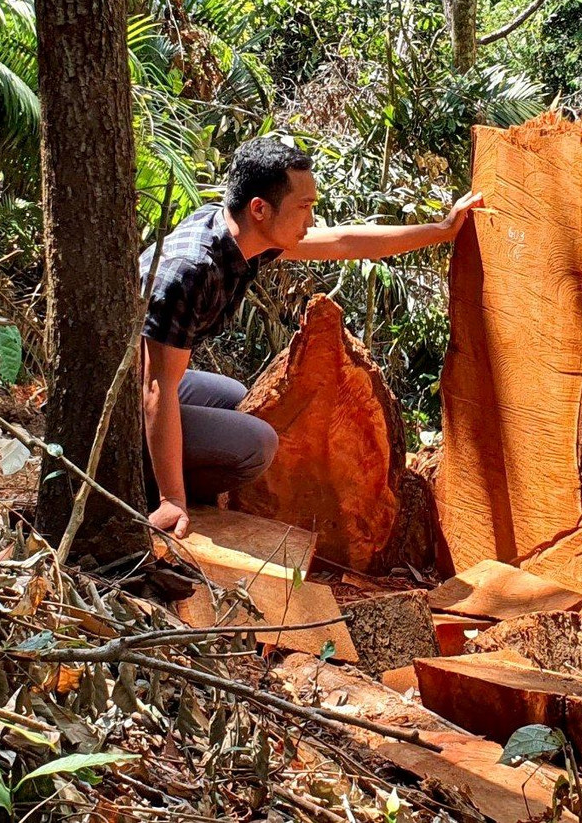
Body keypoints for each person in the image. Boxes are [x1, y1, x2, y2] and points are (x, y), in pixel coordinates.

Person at [139, 137, 480, 538]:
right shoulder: (191, 270)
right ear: (260, 209)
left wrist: (441, 231)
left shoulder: (239, 234)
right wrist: (171, 499)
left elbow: (342, 242)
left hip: (143, 378)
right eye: (304, 207)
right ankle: (151, 487)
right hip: (117, 401)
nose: (311, 220)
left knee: (240, 399)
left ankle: (168, 468)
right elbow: (155, 388)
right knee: (257, 443)